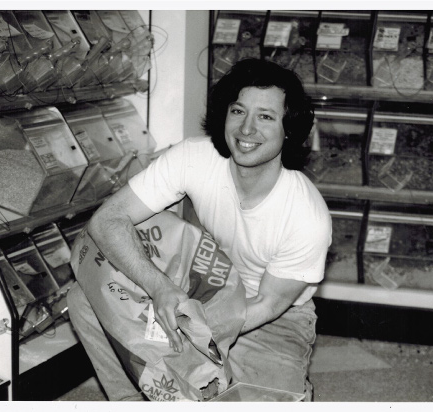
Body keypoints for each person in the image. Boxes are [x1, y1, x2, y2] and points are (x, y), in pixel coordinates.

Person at [67, 58, 332, 401]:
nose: (246, 129)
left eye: (265, 116)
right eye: (238, 111)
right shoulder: (195, 156)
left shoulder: (307, 216)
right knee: (83, 297)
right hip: (191, 286)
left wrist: (194, 337)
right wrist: (158, 287)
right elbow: (108, 219)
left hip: (268, 321)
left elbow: (268, 304)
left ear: (289, 129)